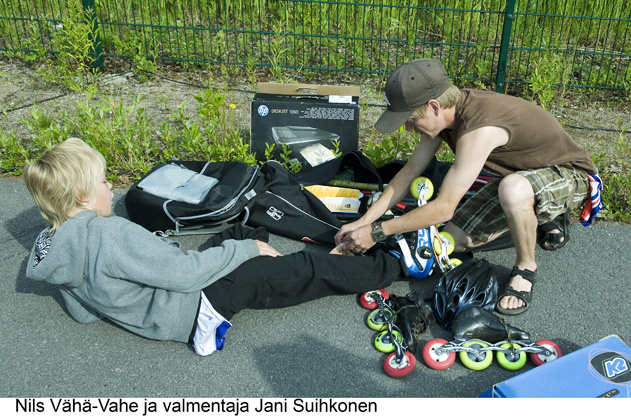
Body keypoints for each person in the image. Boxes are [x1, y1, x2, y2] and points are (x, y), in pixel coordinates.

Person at [24, 138, 410, 356]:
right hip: (198, 303)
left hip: (172, 306)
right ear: (83, 196)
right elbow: (183, 275)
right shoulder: (109, 234)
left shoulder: (54, 247)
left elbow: (83, 313)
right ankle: (395, 261)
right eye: (104, 181)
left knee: (243, 232)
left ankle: (264, 263)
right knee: (303, 268)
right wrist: (246, 254)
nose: (111, 187)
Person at [335, 59, 601, 315]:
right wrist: (364, 222)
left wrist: (377, 232)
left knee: (512, 190)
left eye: (410, 120)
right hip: (521, 176)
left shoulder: (478, 129)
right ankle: (539, 214)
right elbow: (408, 174)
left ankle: (525, 267)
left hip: (570, 176)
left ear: (433, 106)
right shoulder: (446, 115)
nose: (408, 129)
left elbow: (443, 209)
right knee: (454, 242)